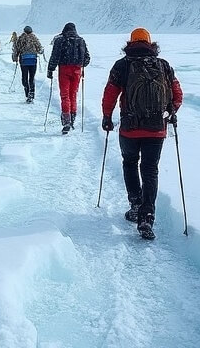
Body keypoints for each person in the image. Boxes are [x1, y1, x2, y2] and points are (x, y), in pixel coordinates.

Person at [101, 27, 183, 241]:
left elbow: (110, 93)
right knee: (150, 170)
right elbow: (177, 94)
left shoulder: (122, 65)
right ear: (150, 43)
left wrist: (107, 117)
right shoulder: (163, 66)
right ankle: (147, 216)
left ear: (130, 42)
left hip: (130, 128)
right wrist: (170, 112)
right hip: (157, 128)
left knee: (129, 163)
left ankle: (135, 205)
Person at [46, 22, 90, 134]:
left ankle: (66, 121)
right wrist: (80, 64)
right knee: (73, 94)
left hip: (64, 69)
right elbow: (87, 59)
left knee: (65, 95)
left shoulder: (60, 40)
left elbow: (55, 56)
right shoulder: (81, 41)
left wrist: (50, 69)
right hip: (77, 70)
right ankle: (72, 119)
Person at [11, 25, 44, 103]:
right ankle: (31, 95)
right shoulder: (35, 39)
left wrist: (15, 58)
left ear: (24, 31)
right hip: (33, 61)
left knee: (24, 78)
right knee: (32, 78)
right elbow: (40, 50)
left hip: (24, 61)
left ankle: (27, 93)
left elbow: (16, 50)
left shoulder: (20, 39)